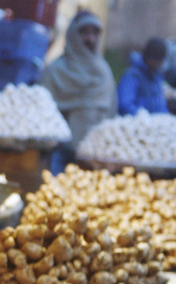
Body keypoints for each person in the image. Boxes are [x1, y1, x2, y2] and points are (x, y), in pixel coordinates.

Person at [39, 11, 116, 174]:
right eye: (84, 33)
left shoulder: (104, 73)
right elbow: (42, 116)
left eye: (95, 33)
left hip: (96, 158)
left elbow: (111, 114)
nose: (90, 39)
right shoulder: (55, 72)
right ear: (73, 35)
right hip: (60, 155)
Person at [117, 37, 168, 116]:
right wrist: (145, 119)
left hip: (155, 125)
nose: (159, 64)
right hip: (137, 125)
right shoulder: (132, 75)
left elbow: (160, 103)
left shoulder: (156, 76)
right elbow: (125, 105)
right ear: (149, 57)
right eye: (158, 60)